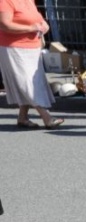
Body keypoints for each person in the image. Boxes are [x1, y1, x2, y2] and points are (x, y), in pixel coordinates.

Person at [0, 0, 64, 129]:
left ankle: (22, 117)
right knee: (26, 83)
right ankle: (47, 117)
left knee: (32, 82)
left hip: (32, 47)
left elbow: (36, 18)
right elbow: (4, 24)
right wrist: (31, 28)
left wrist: (43, 25)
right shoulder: (5, 1)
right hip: (14, 47)